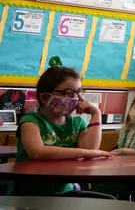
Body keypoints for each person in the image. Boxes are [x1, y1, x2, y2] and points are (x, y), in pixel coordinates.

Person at [16, 59, 114, 197]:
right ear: (44, 98)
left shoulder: (77, 122)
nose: (77, 98)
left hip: (65, 190)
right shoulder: (31, 121)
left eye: (79, 92)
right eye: (68, 92)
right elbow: (37, 152)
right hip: (31, 193)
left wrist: (96, 114)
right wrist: (83, 153)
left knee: (107, 201)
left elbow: (90, 149)